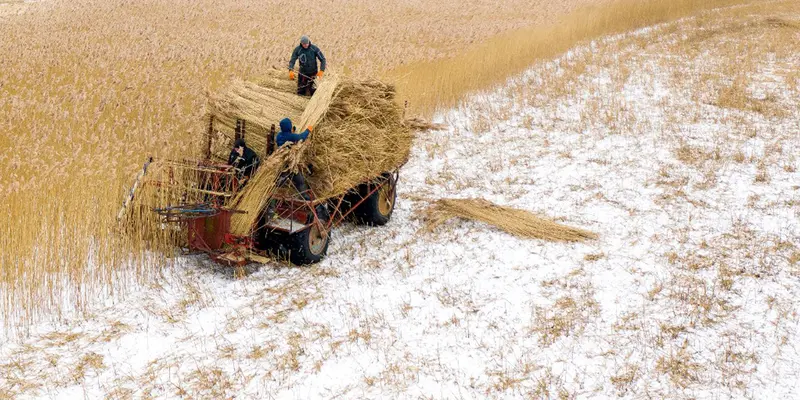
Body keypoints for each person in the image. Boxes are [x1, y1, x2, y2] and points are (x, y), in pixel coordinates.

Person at [276, 118, 313, 200]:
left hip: (280, 161)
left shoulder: (279, 135)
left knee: (280, 180)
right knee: (300, 181)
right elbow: (301, 137)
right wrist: (308, 129)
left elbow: (287, 139)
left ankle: (274, 191)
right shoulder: (290, 136)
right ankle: (305, 197)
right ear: (289, 126)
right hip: (290, 162)